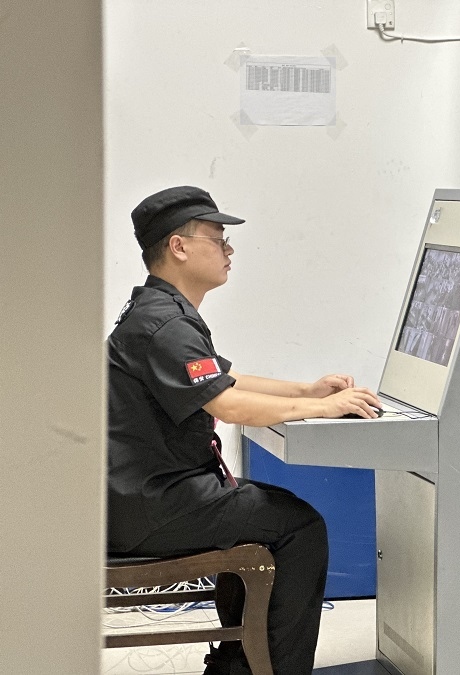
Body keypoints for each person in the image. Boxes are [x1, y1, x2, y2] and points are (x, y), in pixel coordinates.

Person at [107, 186, 381, 675]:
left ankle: (239, 664)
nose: (229, 251)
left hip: (148, 497)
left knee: (273, 514)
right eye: (218, 239)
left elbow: (224, 379)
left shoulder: (161, 311)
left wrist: (308, 390)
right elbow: (229, 404)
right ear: (179, 247)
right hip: (155, 505)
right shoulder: (165, 325)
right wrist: (323, 407)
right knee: (299, 527)